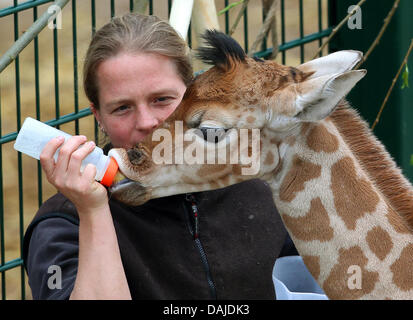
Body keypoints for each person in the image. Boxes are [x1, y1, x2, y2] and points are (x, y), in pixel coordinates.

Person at [23, 13, 298, 300]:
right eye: (122, 108)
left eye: (161, 100)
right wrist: (93, 212)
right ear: (99, 117)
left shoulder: (255, 181)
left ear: (195, 95)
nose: (147, 122)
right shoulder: (62, 225)